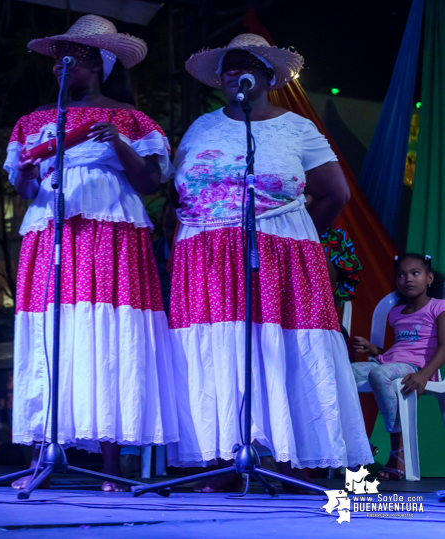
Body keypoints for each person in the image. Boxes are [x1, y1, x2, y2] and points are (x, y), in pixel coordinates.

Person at [169, 33, 372, 492]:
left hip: (281, 248)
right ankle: (223, 457)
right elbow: (178, 193)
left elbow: (335, 194)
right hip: (205, 253)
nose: (232, 70)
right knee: (221, 349)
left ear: (267, 75)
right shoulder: (201, 127)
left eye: (244, 63)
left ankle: (292, 458)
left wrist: (290, 239)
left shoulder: (297, 127)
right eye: (226, 64)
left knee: (283, 349)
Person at [5, 15, 177, 491]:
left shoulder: (130, 117)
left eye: (74, 59)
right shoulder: (34, 121)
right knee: (52, 335)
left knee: (106, 335)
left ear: (99, 64)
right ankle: (42, 451)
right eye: (58, 60)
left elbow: (149, 182)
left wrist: (116, 140)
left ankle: (110, 465)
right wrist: (24, 170)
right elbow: (22, 188)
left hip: (111, 232)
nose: (61, 67)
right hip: (51, 231)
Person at [352, 253, 445, 480]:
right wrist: (374, 350)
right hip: (392, 365)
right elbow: (397, 352)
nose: (408, 279)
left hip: (417, 368)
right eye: (401, 275)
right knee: (342, 373)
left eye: (415, 273)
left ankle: (398, 453)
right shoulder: (395, 313)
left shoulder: (439, 307)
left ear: (429, 278)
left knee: (379, 373)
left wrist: (424, 375)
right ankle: (360, 443)